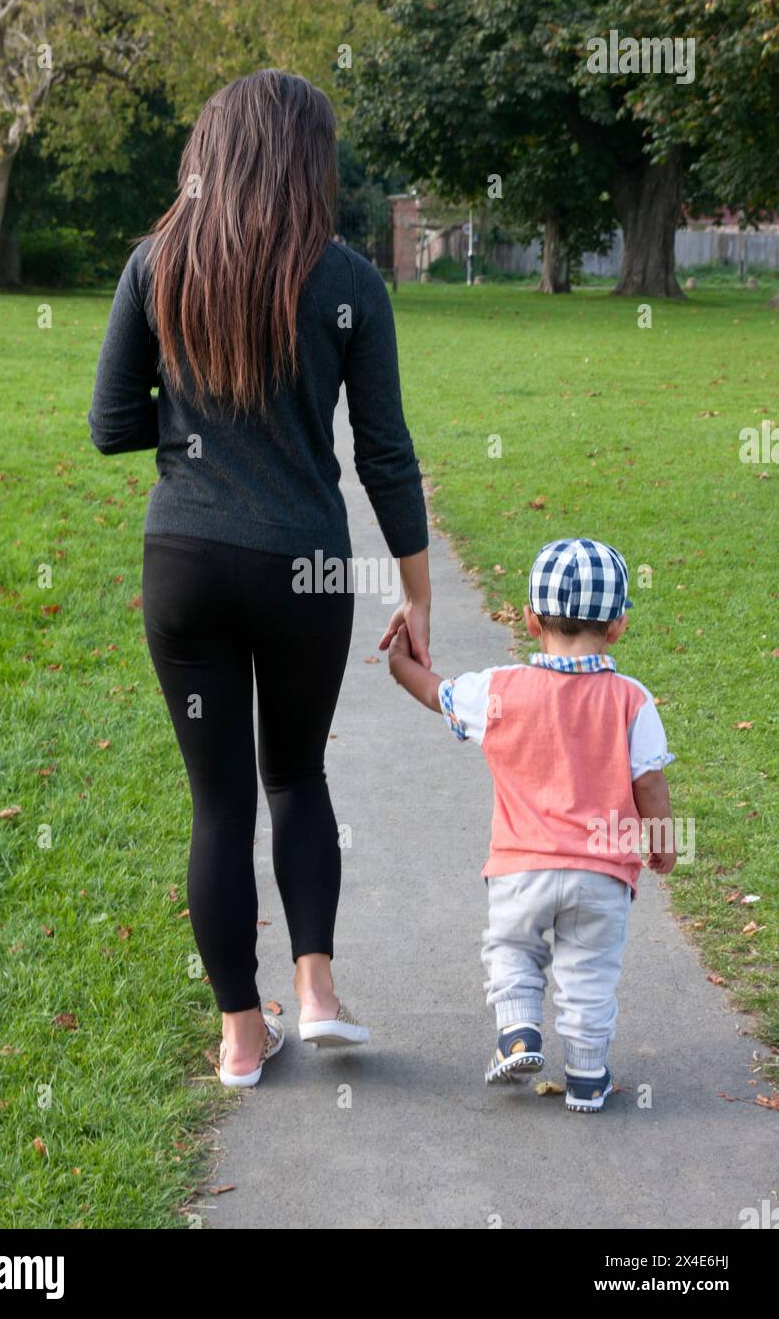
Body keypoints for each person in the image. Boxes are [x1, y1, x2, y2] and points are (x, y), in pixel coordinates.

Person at [89, 69, 431, 1087]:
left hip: (186, 564)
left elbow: (111, 427)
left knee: (219, 801)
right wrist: (417, 597)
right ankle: (317, 991)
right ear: (307, 163)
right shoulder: (349, 283)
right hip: (307, 567)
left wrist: (195, 431)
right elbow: (385, 452)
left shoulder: (157, 265)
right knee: (296, 774)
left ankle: (242, 1038)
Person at [387, 538, 676, 1112]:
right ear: (618, 626)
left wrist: (400, 664)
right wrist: (660, 841)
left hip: (522, 869)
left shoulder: (499, 690)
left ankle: (519, 1033)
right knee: (589, 973)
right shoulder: (632, 700)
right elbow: (649, 783)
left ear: (529, 618)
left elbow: (436, 692)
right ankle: (589, 1076)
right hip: (603, 874)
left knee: (512, 951)